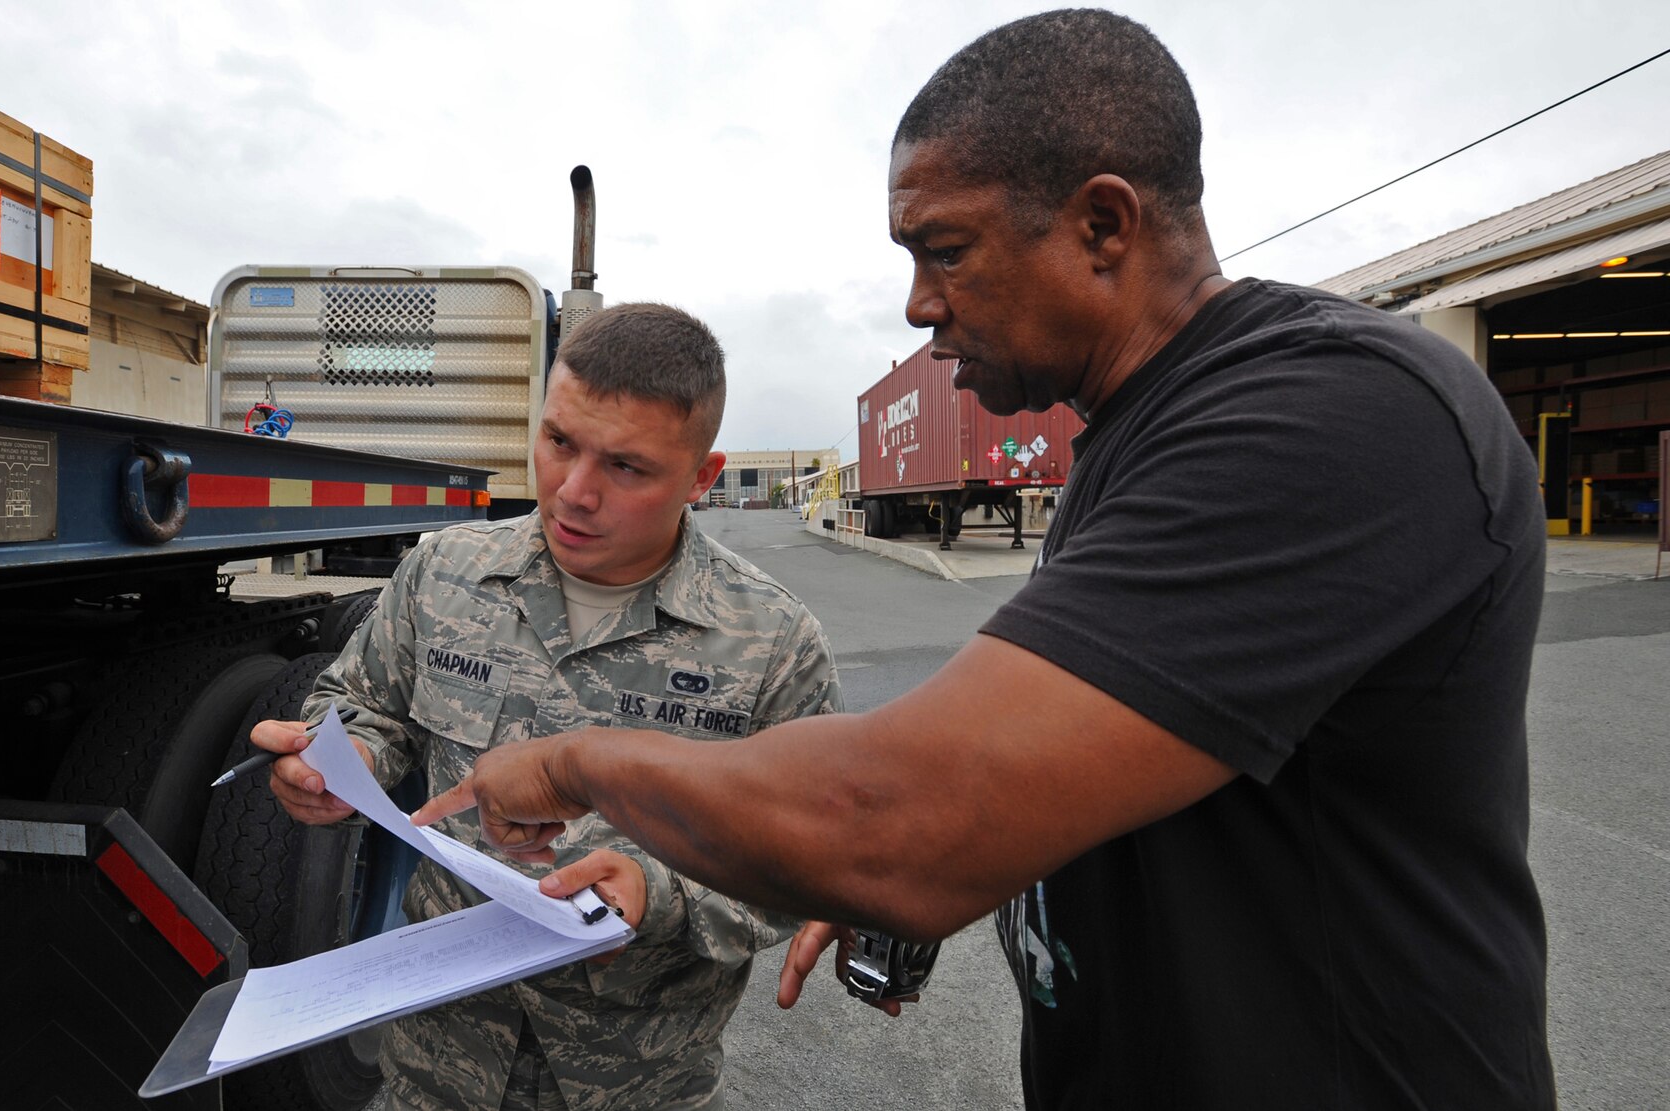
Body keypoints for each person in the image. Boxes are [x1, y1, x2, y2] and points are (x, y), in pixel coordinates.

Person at [411, 10, 1557, 1109]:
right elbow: (1125, 763)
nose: (919, 303)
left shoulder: (1334, 416)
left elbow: (897, 816)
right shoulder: (1133, 441)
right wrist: (982, 866)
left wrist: (573, 765)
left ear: (1102, 225)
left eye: (944, 251)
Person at [251, 302, 843, 1111]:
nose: (574, 490)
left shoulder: (772, 640)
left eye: (627, 468)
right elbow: (361, 702)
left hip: (634, 1081)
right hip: (434, 1066)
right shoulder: (446, 572)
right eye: (559, 441)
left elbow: (807, 857)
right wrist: (340, 760)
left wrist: (654, 889)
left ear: (703, 476)